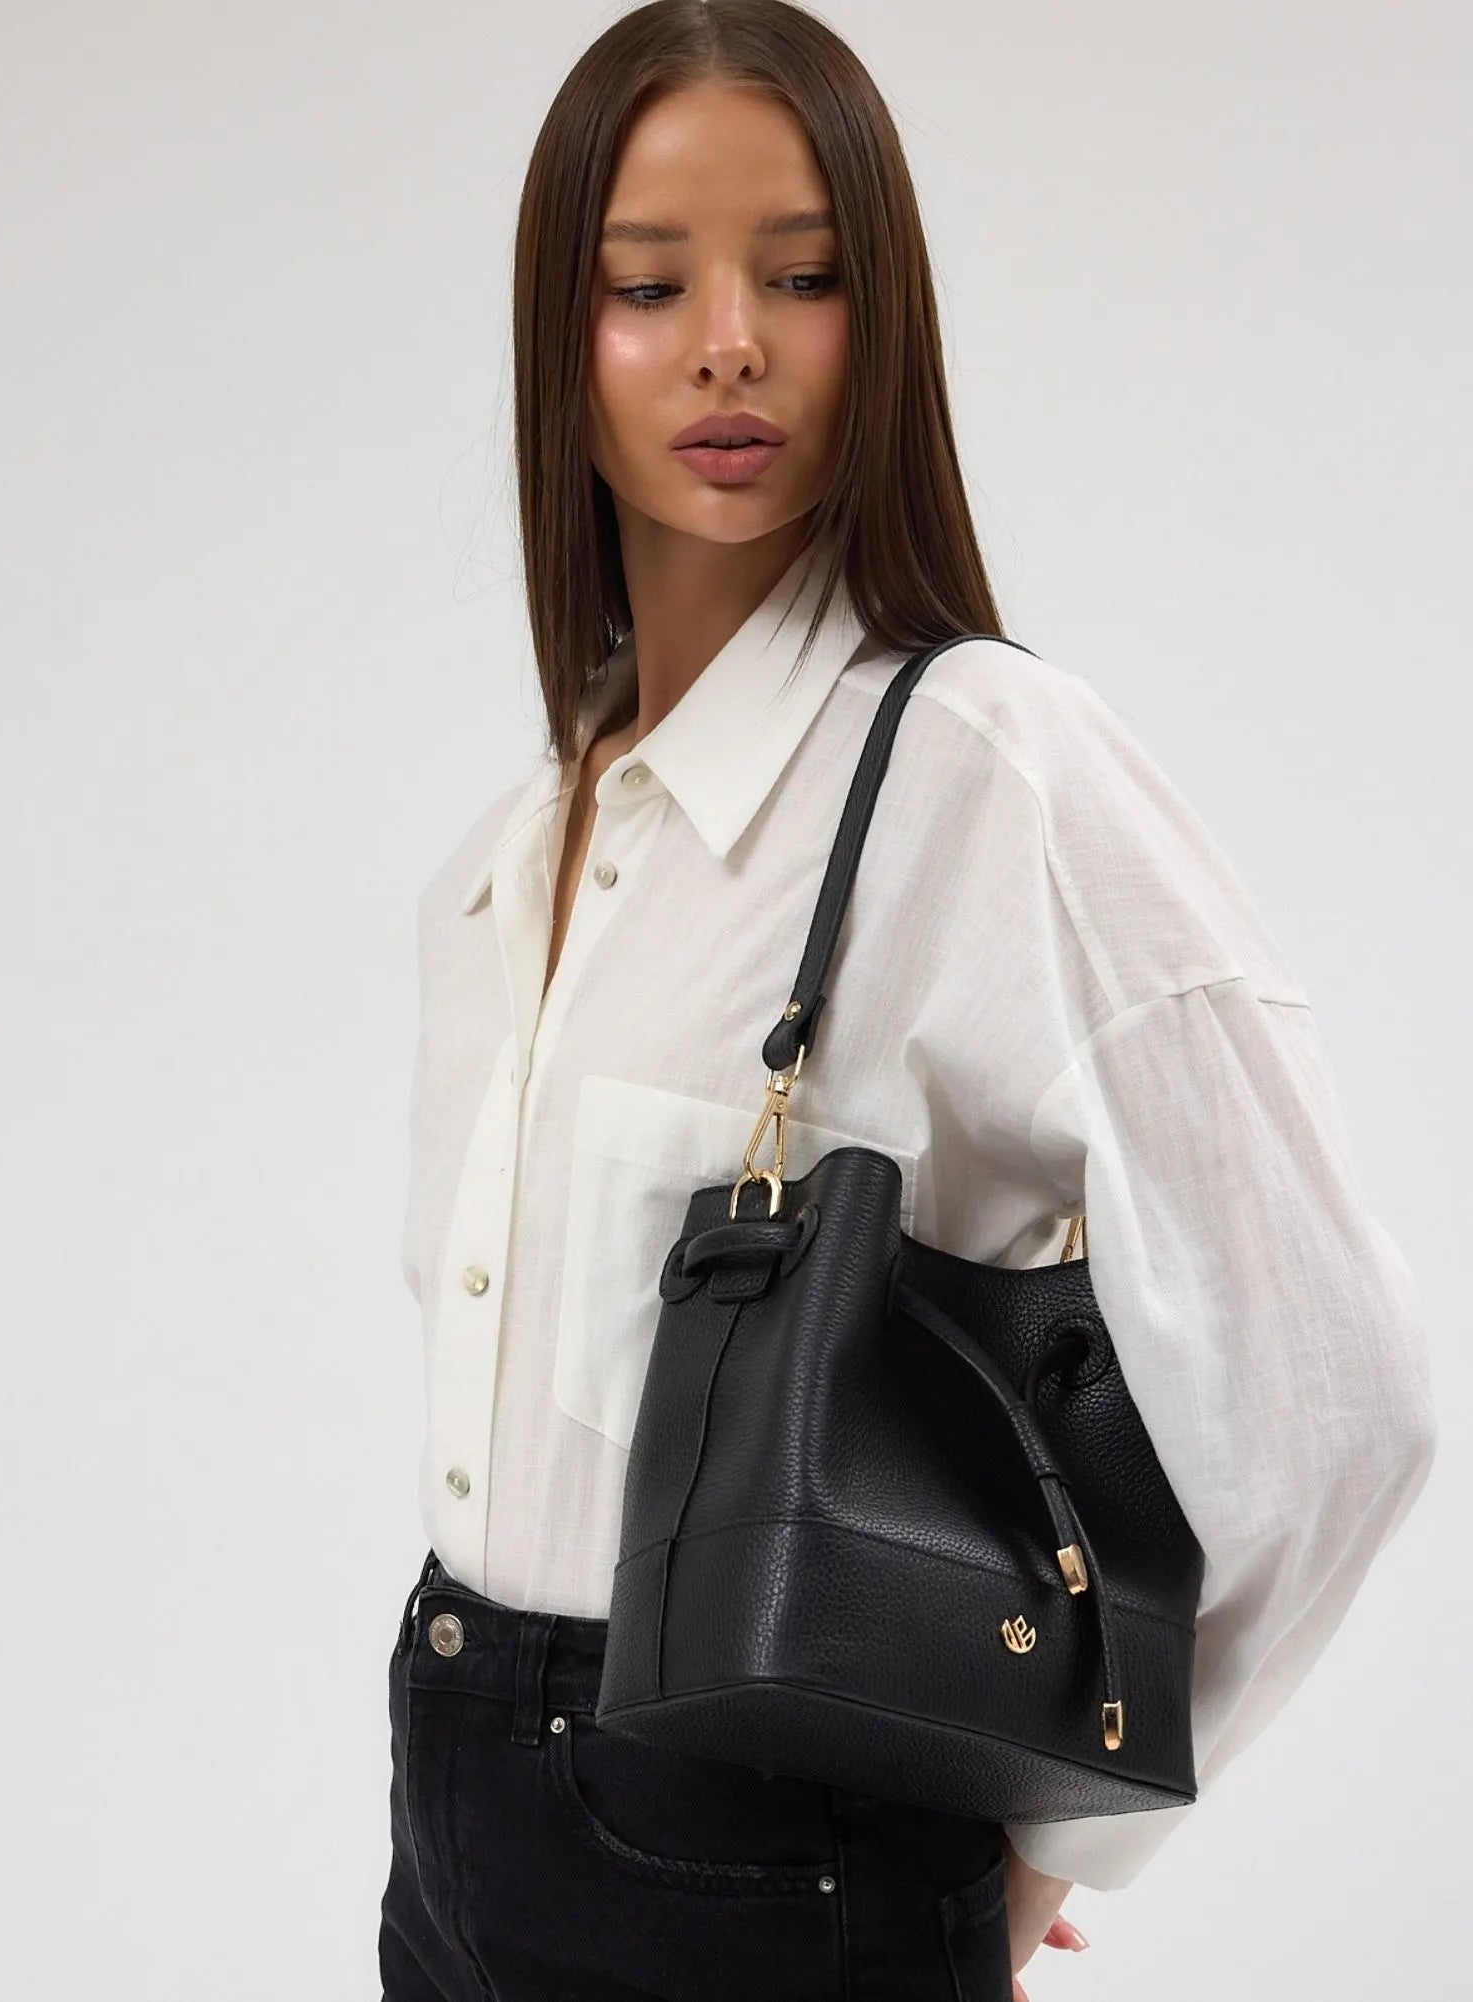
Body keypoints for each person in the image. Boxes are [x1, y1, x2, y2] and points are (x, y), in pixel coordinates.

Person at [378, 5, 1437, 1998]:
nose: (727, 344)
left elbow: (1334, 1396)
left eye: (801, 277)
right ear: (555, 337)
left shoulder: (985, 767)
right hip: (449, 1825)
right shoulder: (515, 855)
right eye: (644, 285)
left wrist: (1055, 1830)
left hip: (775, 1862)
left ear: (886, 325)